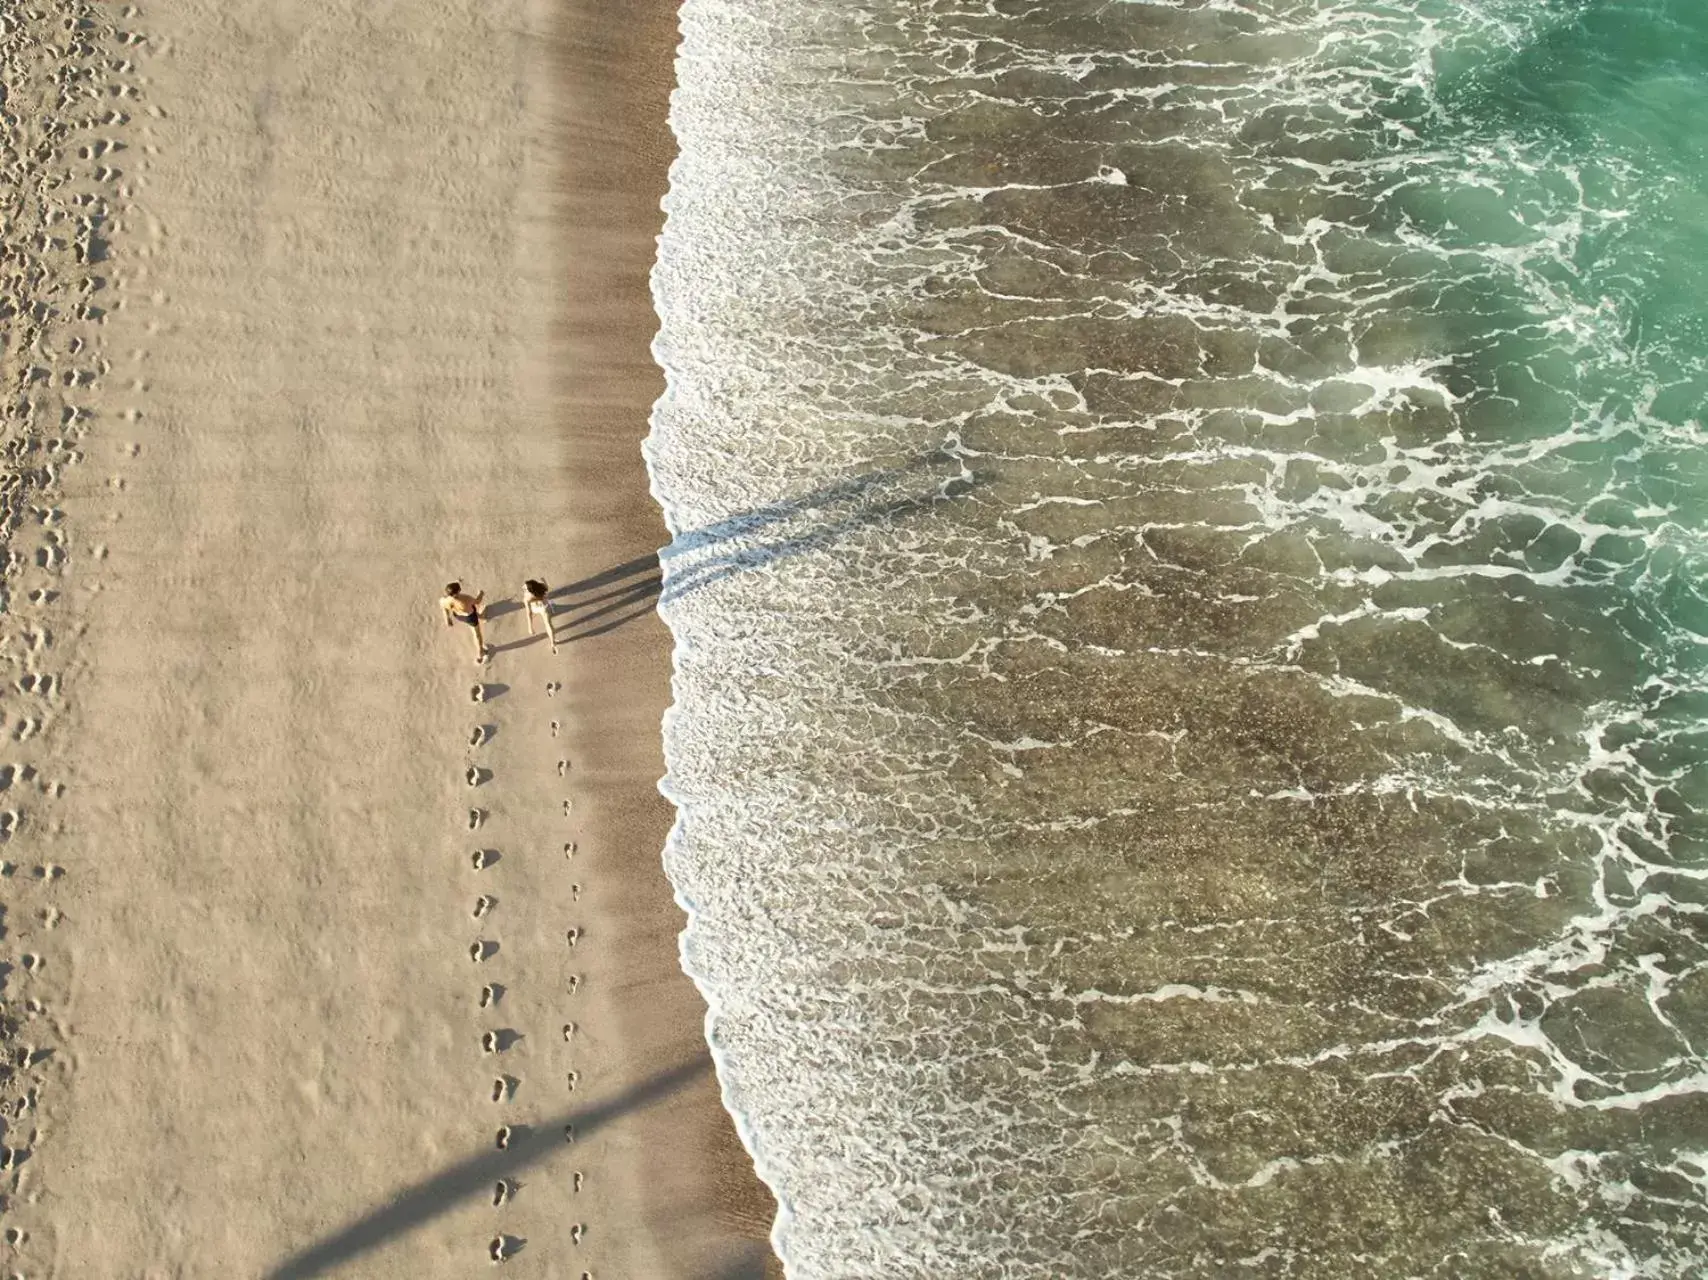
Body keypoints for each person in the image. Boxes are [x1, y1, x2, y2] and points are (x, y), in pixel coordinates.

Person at [440, 581, 486, 664]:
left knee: (473, 612)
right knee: (477, 634)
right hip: (470, 617)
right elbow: (477, 601)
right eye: (459, 589)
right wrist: (481, 594)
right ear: (456, 593)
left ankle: (479, 615)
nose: (460, 590)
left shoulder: (444, 600)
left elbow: (444, 608)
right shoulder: (466, 599)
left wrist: (447, 619)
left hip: (458, 616)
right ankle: (480, 653)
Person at [524, 578, 557, 653]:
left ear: (530, 591)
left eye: (525, 588)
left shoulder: (527, 598)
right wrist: (543, 580)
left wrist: (530, 627)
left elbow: (529, 613)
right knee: (548, 624)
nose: (523, 587)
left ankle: (553, 643)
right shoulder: (542, 586)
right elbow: (546, 586)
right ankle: (553, 643)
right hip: (545, 607)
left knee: (534, 612)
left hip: (535, 609)